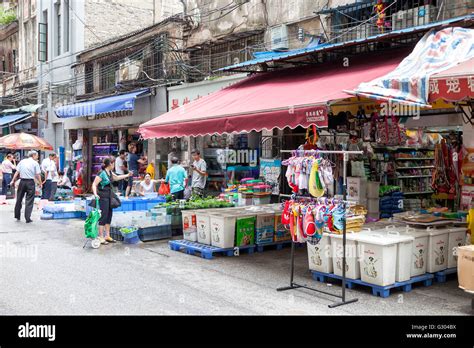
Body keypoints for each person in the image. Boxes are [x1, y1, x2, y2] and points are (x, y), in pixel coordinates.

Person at [92, 157, 132, 245]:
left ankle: (107, 236)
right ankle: (101, 236)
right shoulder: (101, 173)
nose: (114, 165)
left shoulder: (109, 172)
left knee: (109, 216)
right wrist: (95, 194)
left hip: (109, 196)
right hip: (102, 197)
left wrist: (127, 175)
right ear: (110, 164)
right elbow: (94, 184)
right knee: (103, 216)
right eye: (113, 163)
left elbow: (117, 177)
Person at [11, 151, 42, 223]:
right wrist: (40, 183)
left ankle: (17, 216)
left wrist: (13, 180)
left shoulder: (22, 161)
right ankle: (27, 218)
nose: (37, 157)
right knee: (29, 200)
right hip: (30, 183)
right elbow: (38, 175)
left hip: (22, 182)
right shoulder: (35, 163)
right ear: (33, 155)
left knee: (19, 198)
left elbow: (17, 172)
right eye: (37, 156)